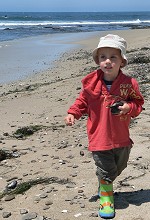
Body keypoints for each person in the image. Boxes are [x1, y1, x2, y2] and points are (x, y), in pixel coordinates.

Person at [64, 34, 144, 219]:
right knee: (106, 170)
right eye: (103, 57)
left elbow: (138, 104)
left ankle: (105, 183)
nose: (107, 61)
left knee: (119, 166)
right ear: (98, 61)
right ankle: (106, 198)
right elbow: (81, 101)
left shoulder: (129, 84)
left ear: (122, 61)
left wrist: (128, 107)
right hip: (99, 135)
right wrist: (72, 113)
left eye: (113, 57)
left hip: (121, 136)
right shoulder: (92, 84)